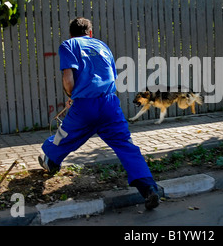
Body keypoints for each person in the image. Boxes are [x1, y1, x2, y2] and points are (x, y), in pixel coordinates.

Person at [38, 17, 160, 210]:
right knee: (126, 146)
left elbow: (68, 78)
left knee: (64, 136)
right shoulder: (102, 46)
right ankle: (149, 188)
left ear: (71, 34)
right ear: (90, 33)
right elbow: (110, 76)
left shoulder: (68, 45)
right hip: (110, 104)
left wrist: (73, 95)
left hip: (85, 107)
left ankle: (50, 160)